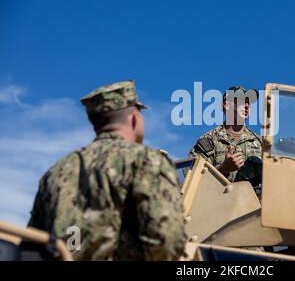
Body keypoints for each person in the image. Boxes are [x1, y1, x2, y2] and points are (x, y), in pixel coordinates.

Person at [28, 80, 187, 260]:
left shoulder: (56, 172)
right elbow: (167, 239)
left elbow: (32, 244)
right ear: (135, 118)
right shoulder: (147, 161)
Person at [189, 86, 263, 195]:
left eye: (248, 102)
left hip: (254, 209)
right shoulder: (208, 141)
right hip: (218, 208)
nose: (247, 106)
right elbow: (193, 182)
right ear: (226, 105)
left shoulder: (261, 144)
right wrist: (224, 168)